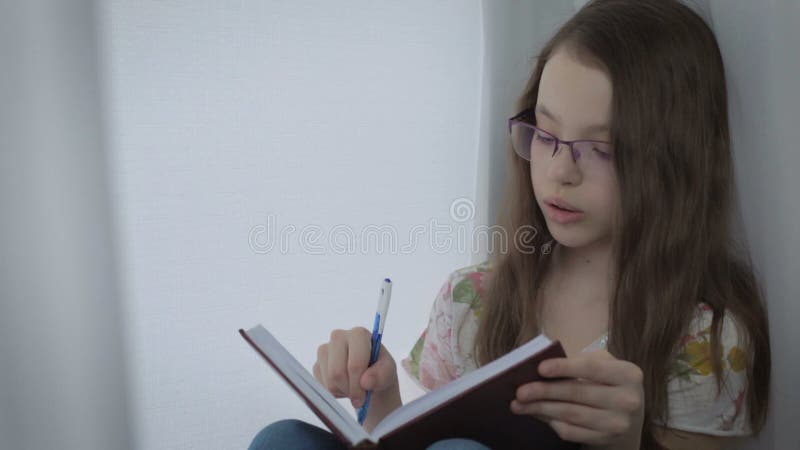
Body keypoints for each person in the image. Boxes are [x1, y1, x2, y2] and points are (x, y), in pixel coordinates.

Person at [248, 0, 771, 448]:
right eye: (545, 135)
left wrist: (627, 442)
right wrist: (379, 397)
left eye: (601, 149)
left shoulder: (706, 338)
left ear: (674, 162)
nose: (560, 172)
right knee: (283, 440)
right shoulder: (471, 298)